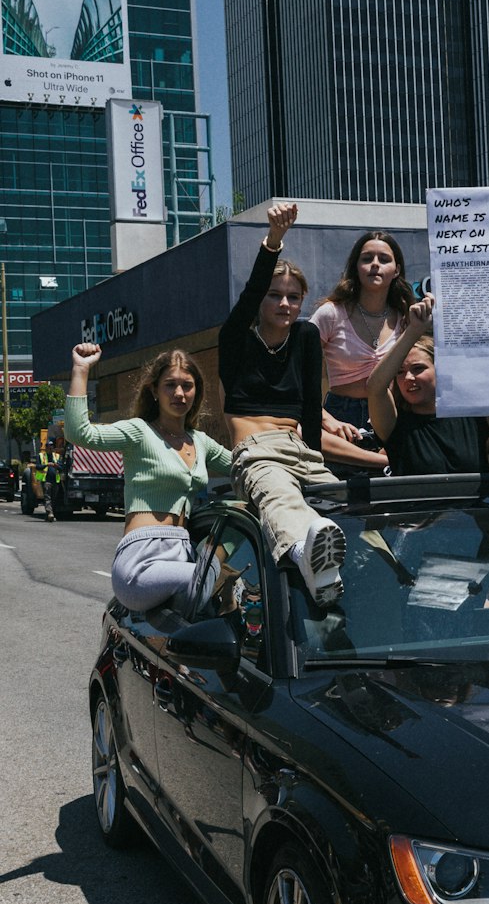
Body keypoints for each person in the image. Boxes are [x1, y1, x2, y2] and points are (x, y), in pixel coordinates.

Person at [219, 203, 348, 604]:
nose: (285, 304)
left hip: (304, 452)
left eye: (294, 296)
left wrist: (317, 458)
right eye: (275, 295)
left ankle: (372, 578)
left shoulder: (307, 337)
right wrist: (274, 238)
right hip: (257, 453)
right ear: (261, 300)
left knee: (351, 517)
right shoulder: (235, 338)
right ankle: (302, 555)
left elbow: (311, 405)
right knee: (280, 500)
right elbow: (250, 292)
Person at [64, 344, 233, 611]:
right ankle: (221, 573)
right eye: (170, 385)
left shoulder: (201, 442)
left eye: (187, 386)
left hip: (182, 555)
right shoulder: (140, 432)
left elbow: (244, 466)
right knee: (209, 577)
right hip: (142, 560)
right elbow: (79, 433)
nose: (179, 393)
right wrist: (81, 370)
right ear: (154, 390)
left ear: (196, 391)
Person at [367, 291, 489, 476]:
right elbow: (375, 387)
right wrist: (413, 331)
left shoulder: (472, 417)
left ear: (441, 370)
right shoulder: (395, 424)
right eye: (400, 373)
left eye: (418, 369)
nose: (409, 378)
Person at [309, 231, 415, 444]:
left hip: (394, 415)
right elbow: (297, 371)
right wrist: (324, 418)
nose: (375, 264)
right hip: (341, 418)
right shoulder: (331, 314)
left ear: (397, 270)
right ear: (356, 267)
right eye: (367, 259)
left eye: (384, 259)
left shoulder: (407, 318)